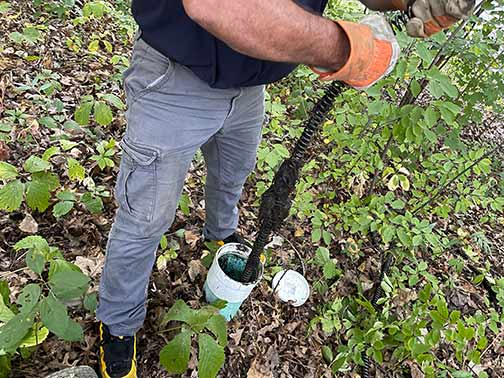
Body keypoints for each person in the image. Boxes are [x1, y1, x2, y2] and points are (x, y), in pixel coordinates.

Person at [96, 0, 474, 377]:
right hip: (174, 76)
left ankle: (220, 240)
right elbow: (216, 6)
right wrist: (345, 48)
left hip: (248, 88)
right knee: (145, 218)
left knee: (231, 178)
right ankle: (117, 324)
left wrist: (407, 2)